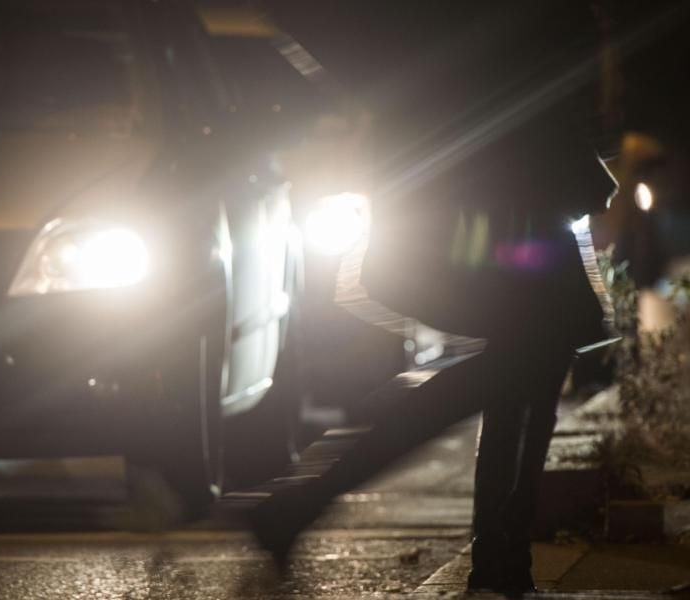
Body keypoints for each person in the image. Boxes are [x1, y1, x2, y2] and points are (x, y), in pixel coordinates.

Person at [246, 1, 618, 594]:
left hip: (515, 205)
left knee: (530, 370)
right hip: (501, 210)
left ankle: (501, 564)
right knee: (527, 362)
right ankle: (305, 503)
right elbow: (525, 83)